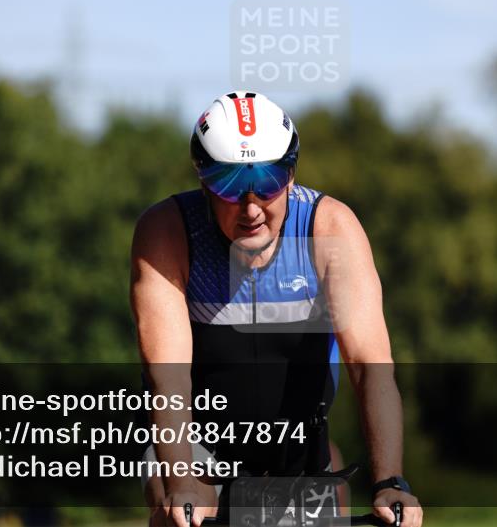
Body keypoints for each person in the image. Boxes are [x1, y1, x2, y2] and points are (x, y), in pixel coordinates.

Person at [130, 91, 423, 527]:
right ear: (203, 181)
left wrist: (390, 481)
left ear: (290, 175)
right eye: (229, 185)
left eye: (266, 182)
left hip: (300, 454)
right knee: (178, 505)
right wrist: (181, 486)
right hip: (198, 448)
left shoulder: (329, 229)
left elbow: (369, 364)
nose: (251, 208)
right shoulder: (168, 232)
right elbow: (167, 373)